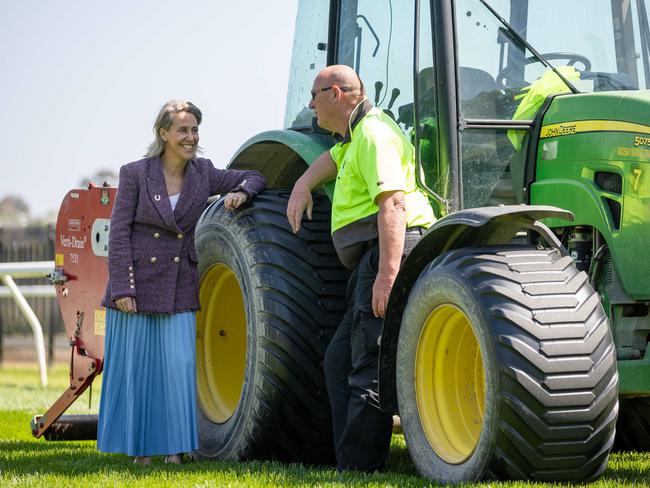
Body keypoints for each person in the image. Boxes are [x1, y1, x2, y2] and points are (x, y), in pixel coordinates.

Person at [97, 100, 266, 465]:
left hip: (178, 285)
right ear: (163, 133)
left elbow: (254, 176)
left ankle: (175, 452)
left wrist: (242, 193)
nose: (190, 138)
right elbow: (119, 234)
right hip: (137, 287)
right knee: (138, 371)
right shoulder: (135, 173)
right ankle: (140, 452)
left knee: (177, 370)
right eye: (183, 130)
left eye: (194, 130)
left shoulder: (203, 173)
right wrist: (123, 287)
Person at [286, 65, 436, 472]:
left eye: (313, 96)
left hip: (390, 252)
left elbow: (393, 205)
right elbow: (334, 160)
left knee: (367, 363)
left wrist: (387, 276)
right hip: (373, 256)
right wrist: (303, 184)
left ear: (335, 93)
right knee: (339, 360)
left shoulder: (372, 135)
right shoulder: (355, 136)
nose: (310, 106)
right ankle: (347, 457)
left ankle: (358, 468)